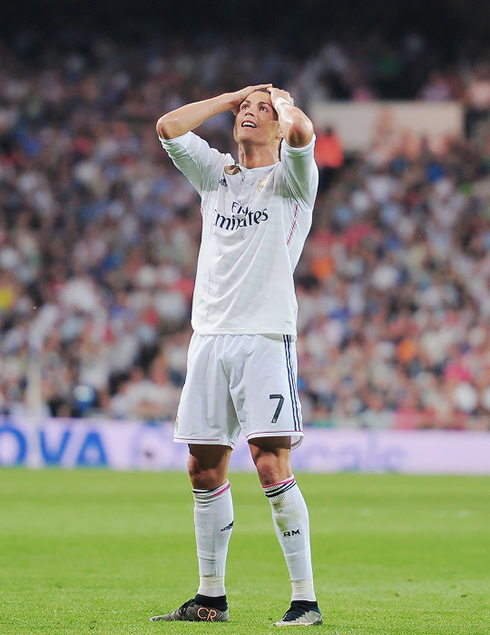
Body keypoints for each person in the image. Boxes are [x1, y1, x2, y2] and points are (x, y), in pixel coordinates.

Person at [151, 83, 322, 627]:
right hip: (209, 337)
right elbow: (168, 127)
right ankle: (210, 598)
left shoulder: (293, 181)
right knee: (203, 469)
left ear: (279, 123)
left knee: (270, 464)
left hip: (265, 337)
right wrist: (230, 98)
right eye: (246, 110)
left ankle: (305, 600)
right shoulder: (215, 174)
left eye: (261, 110)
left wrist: (284, 104)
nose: (252, 114)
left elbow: (301, 134)